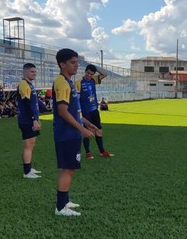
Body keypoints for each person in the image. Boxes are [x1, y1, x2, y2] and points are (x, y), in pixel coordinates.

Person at [53, 48, 98, 217]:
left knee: (70, 168)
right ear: (62, 64)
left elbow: (75, 111)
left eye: (77, 62)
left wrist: (87, 123)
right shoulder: (62, 82)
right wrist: (82, 129)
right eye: (72, 63)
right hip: (66, 134)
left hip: (72, 133)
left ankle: (64, 201)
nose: (76, 66)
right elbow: (63, 111)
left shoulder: (69, 82)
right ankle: (60, 207)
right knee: (67, 169)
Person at [75, 64, 114, 159]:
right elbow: (76, 99)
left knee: (98, 130)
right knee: (88, 131)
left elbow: (104, 74)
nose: (89, 75)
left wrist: (96, 68)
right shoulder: (78, 82)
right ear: (85, 71)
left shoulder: (94, 79)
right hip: (85, 112)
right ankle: (88, 153)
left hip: (94, 110)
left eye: (92, 74)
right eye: (88, 73)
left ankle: (102, 151)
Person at [17, 63, 42, 179]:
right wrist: (33, 120)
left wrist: (37, 118)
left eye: (35, 72)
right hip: (27, 120)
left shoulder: (29, 84)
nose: (34, 74)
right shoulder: (23, 84)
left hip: (31, 119)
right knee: (28, 145)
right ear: (25, 72)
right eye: (32, 72)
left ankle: (28, 168)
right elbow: (27, 103)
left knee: (31, 144)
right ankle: (26, 172)